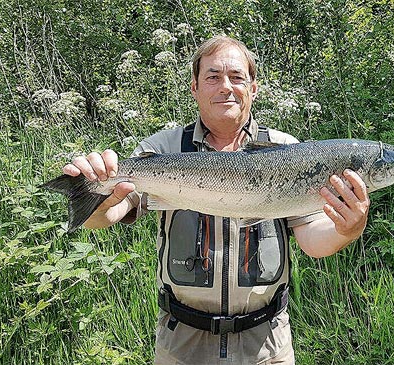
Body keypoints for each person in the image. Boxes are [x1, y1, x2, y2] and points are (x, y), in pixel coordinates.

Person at [62, 35, 370, 364]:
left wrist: (349, 228)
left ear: (253, 88)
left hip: (266, 342)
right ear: (194, 87)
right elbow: (108, 215)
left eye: (237, 77)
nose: (226, 86)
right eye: (213, 77)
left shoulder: (287, 151)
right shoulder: (163, 149)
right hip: (182, 341)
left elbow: (312, 240)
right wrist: (100, 195)